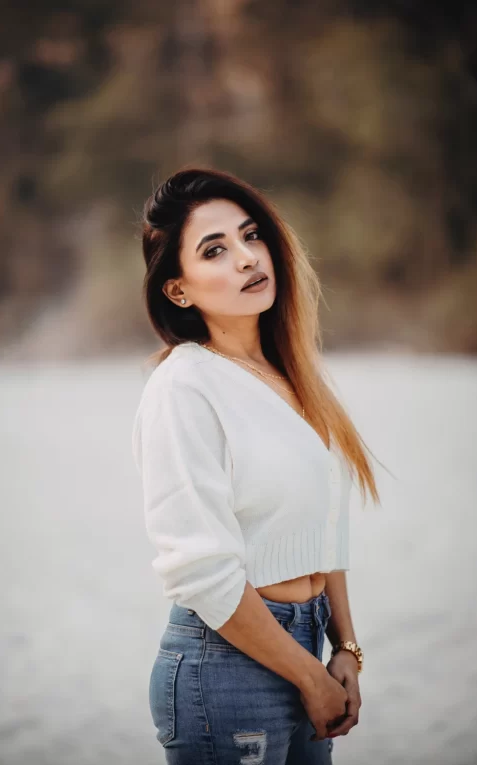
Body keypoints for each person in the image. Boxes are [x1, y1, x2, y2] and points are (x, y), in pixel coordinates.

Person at [132, 167, 379, 763]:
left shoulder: (294, 378)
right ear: (178, 290)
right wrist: (309, 676)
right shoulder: (184, 386)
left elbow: (323, 527)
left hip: (307, 648)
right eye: (215, 249)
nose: (246, 258)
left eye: (251, 235)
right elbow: (200, 570)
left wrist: (344, 648)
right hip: (225, 668)